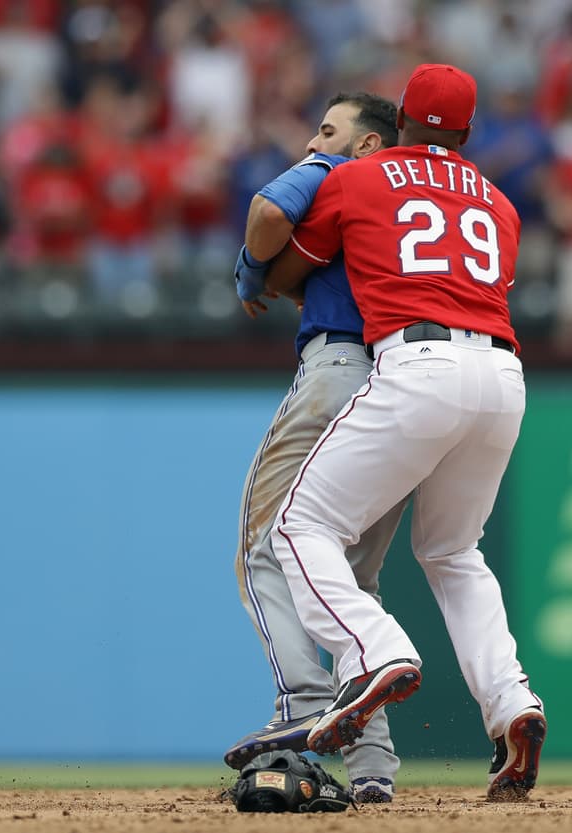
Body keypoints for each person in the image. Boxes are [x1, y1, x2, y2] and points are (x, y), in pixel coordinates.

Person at [261, 64, 546, 802]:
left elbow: (287, 270)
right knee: (454, 553)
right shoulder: (500, 202)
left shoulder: (361, 176)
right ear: (467, 131)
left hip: (417, 363)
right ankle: (511, 700)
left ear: (403, 121)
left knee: (299, 527)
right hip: (502, 375)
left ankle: (377, 651)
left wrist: (261, 275)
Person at [224, 92, 407, 805]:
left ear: (367, 144)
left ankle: (303, 706)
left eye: (328, 131)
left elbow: (269, 212)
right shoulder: (425, 197)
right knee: (351, 577)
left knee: (266, 548)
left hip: (340, 368)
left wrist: (250, 268)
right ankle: (373, 765)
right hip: (407, 384)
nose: (312, 143)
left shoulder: (340, 172)